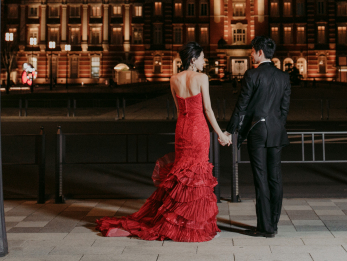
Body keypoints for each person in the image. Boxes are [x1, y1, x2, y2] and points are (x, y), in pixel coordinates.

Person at [97, 42, 228, 242]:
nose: (204, 61)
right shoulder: (202, 78)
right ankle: (191, 223)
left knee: (181, 173)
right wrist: (220, 134)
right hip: (198, 130)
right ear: (193, 59)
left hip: (182, 129)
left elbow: (178, 109)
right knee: (196, 174)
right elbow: (208, 110)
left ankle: (178, 218)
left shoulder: (173, 78)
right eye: (202, 57)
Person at [224, 36, 291, 238]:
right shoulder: (284, 77)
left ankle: (265, 226)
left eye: (252, 51)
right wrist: (277, 125)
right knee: (275, 178)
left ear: (260, 52)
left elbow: (241, 107)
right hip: (277, 130)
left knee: (260, 178)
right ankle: (274, 223)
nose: (251, 54)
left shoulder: (252, 75)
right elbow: (284, 109)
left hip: (258, 130)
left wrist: (229, 131)